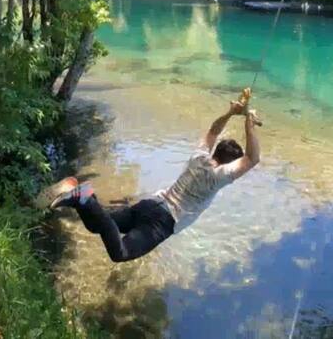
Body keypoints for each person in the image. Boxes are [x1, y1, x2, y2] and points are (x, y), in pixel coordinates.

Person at [47, 90, 261, 262]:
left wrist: (231, 113)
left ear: (217, 152)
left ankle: (83, 197)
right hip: (164, 221)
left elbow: (213, 131)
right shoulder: (219, 176)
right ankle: (84, 197)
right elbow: (252, 158)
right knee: (120, 253)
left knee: (97, 224)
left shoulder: (199, 157)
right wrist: (249, 125)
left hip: (151, 203)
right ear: (230, 163)